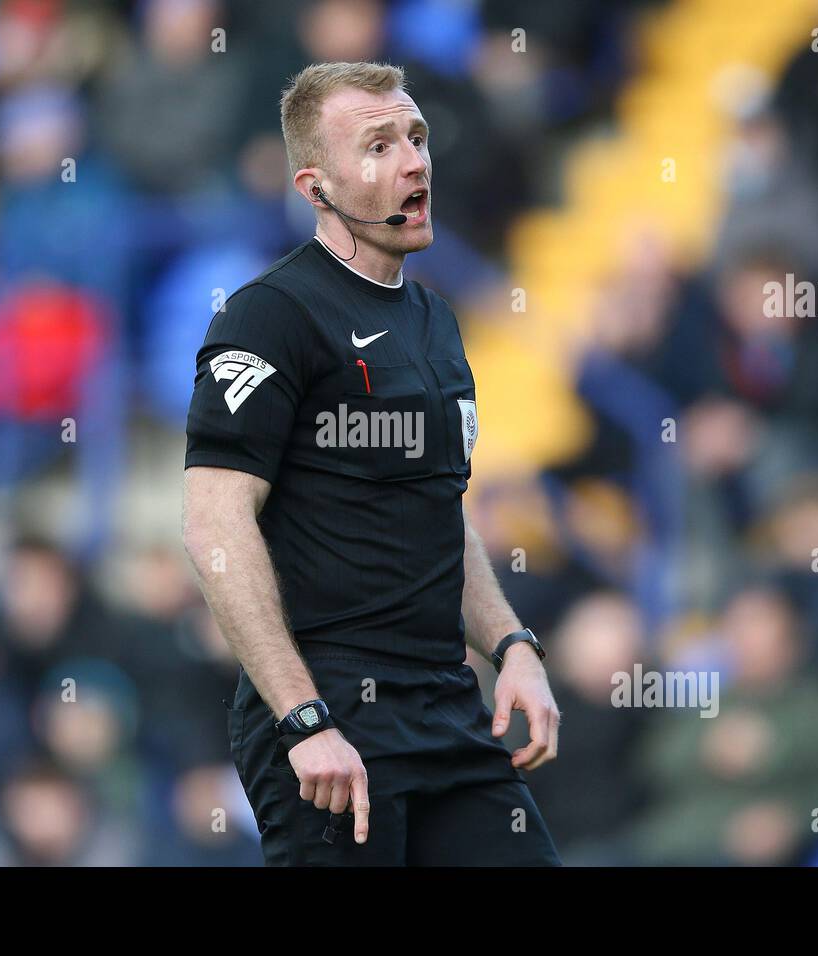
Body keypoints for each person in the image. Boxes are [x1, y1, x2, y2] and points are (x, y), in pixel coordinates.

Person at [181, 61, 561, 865]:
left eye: (417, 137)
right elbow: (213, 522)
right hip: (332, 715)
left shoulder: (435, 322)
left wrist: (511, 644)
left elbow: (436, 510)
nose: (415, 160)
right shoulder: (268, 316)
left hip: (447, 708)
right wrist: (302, 716)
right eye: (379, 145)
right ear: (316, 187)